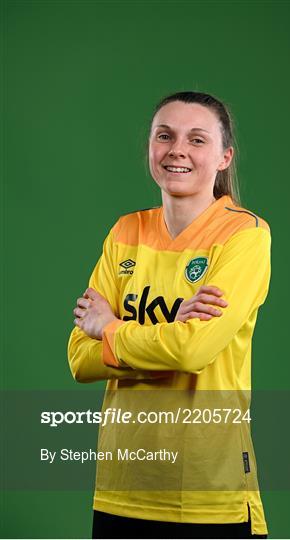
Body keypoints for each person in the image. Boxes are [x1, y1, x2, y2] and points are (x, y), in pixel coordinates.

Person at [67, 91, 271, 539]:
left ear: (224, 157)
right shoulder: (126, 231)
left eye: (197, 139)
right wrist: (165, 334)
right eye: (165, 135)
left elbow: (192, 350)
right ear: (151, 149)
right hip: (120, 484)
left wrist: (112, 328)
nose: (177, 149)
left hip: (205, 492)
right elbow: (80, 360)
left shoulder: (244, 235)